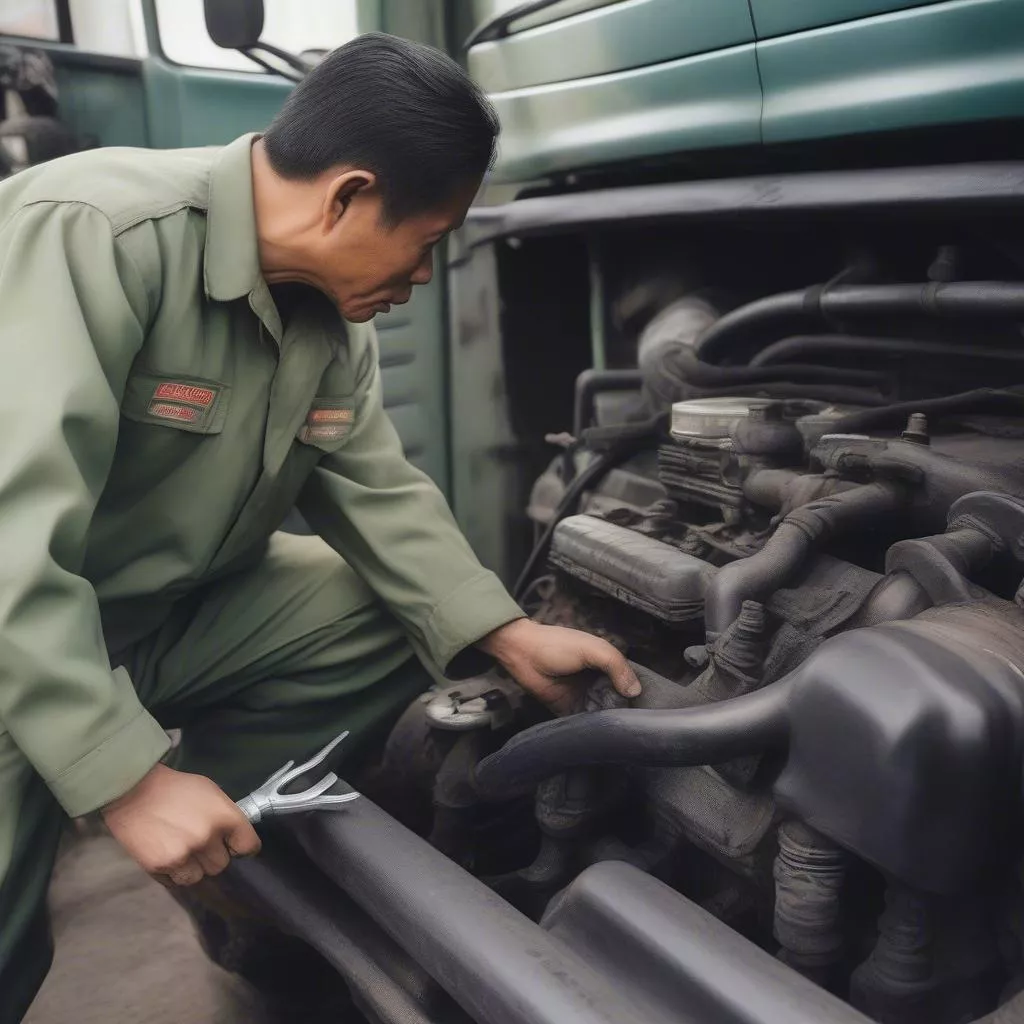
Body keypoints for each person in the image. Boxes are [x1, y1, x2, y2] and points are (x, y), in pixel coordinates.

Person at [0, 32, 641, 1021]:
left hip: (147, 616)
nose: (424, 276)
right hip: (16, 626)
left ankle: (213, 833)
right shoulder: (94, 231)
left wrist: (506, 632)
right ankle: (109, 778)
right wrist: (122, 779)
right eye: (423, 241)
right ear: (344, 196)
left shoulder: (334, 321)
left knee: (389, 615)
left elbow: (374, 485)